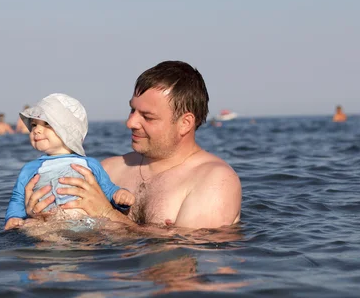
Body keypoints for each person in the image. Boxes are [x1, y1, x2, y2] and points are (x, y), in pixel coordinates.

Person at [24, 61, 242, 230]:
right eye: (132, 110)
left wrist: (106, 214)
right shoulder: (109, 169)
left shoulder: (215, 180)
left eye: (147, 116)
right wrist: (38, 214)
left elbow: (183, 254)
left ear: (185, 123)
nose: (130, 123)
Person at [4, 93, 135, 230]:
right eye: (34, 125)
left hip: (87, 221)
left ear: (68, 130)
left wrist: (119, 194)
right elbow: (18, 198)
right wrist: (13, 217)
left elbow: (106, 188)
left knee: (106, 229)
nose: (36, 130)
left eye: (47, 124)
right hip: (47, 223)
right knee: (32, 226)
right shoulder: (30, 168)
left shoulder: (89, 164)